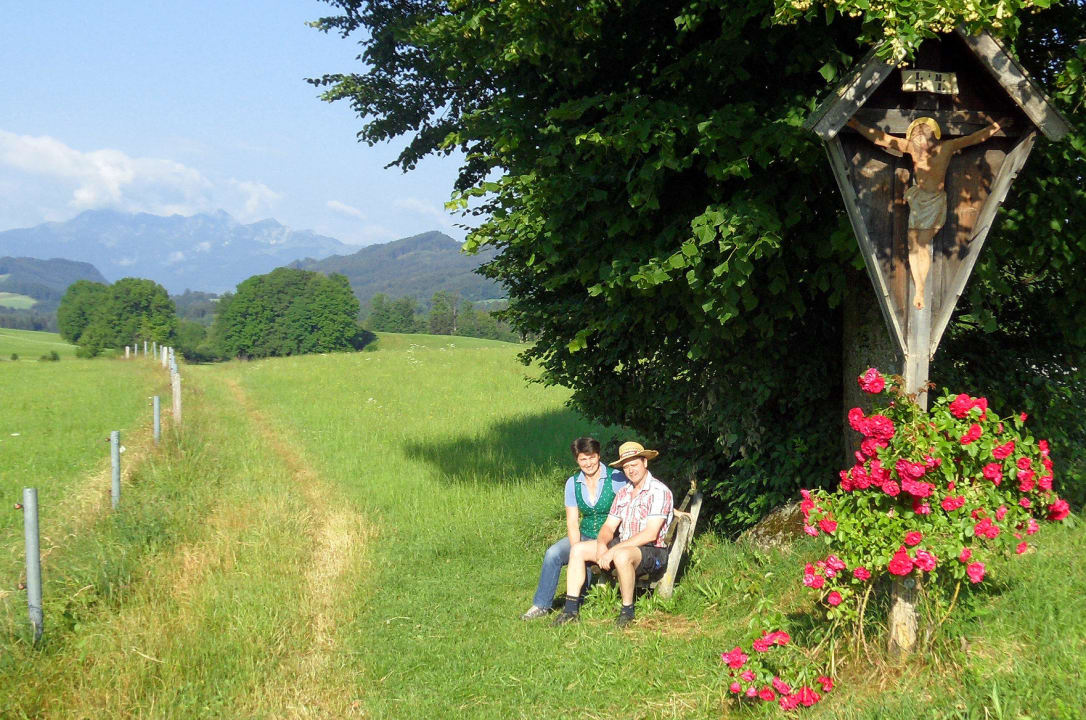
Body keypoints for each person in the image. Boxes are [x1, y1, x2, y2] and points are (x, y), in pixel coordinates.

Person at [846, 115, 1003, 309]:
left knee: (922, 243)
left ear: (931, 136)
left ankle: (919, 289)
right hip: (918, 201)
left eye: (920, 136)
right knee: (913, 244)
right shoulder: (913, 149)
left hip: (934, 202)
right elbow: (882, 138)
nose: (916, 141)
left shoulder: (947, 147)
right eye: (914, 137)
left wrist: (997, 126)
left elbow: (974, 138)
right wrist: (857, 124)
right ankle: (919, 287)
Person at [552, 441, 674, 628]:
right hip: (624, 543)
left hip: (651, 551)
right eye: (626, 467)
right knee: (577, 550)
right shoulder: (624, 492)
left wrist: (612, 550)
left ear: (645, 463)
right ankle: (570, 610)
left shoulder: (659, 491)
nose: (630, 470)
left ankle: (627, 611)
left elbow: (650, 533)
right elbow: (609, 526)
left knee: (622, 555)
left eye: (634, 464)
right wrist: (602, 545)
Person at [520, 437, 628, 620]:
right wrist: (575, 547)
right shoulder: (573, 483)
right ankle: (541, 604)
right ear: (577, 460)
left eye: (592, 457)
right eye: (583, 459)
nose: (588, 463)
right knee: (553, 553)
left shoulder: (616, 478)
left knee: (580, 553)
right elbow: (572, 521)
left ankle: (578, 598)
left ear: (599, 456)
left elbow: (637, 496)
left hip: (609, 539)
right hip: (585, 534)